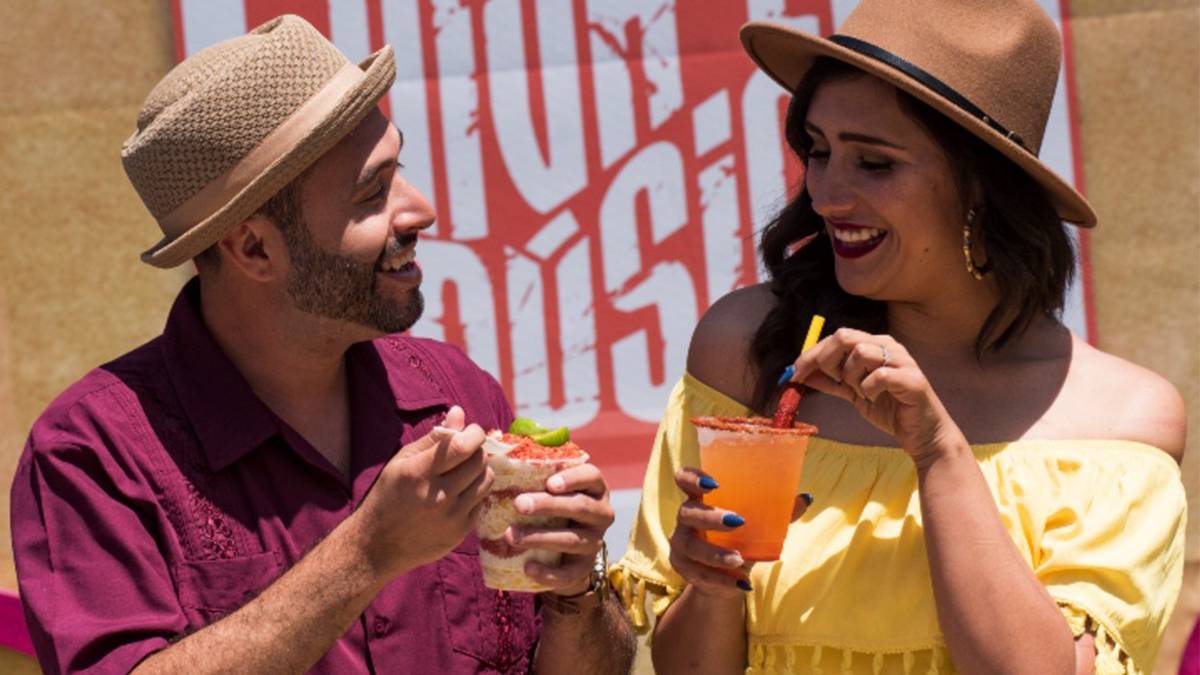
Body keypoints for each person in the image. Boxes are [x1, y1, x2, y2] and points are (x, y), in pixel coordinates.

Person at [10, 15, 634, 675]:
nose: (419, 210)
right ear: (253, 246)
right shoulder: (95, 453)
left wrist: (577, 592)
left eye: (401, 168)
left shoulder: (457, 393)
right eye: (373, 193)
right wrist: (368, 553)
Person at [608, 1, 1187, 673]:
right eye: (818, 151)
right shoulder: (748, 349)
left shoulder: (1120, 420)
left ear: (982, 188)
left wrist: (939, 453)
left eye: (874, 164)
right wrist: (711, 587)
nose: (825, 194)